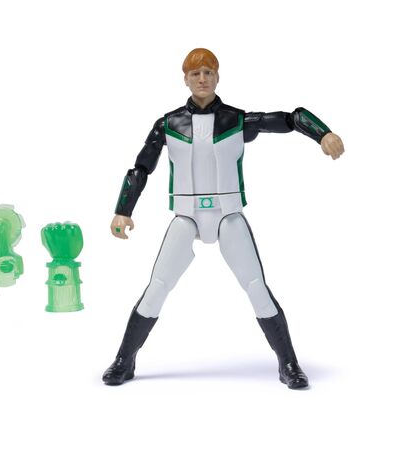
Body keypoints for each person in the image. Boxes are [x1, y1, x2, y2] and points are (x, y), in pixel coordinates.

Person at [103, 48, 344, 389]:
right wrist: (123, 209)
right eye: (195, 74)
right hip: (186, 217)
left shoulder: (236, 120)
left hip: (228, 214)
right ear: (185, 79)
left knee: (257, 288)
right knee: (156, 288)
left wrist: (323, 133)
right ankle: (124, 360)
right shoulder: (168, 124)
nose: (202, 79)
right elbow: (141, 167)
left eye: (208, 73)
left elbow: (290, 119)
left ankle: (288, 363)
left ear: (217, 77)